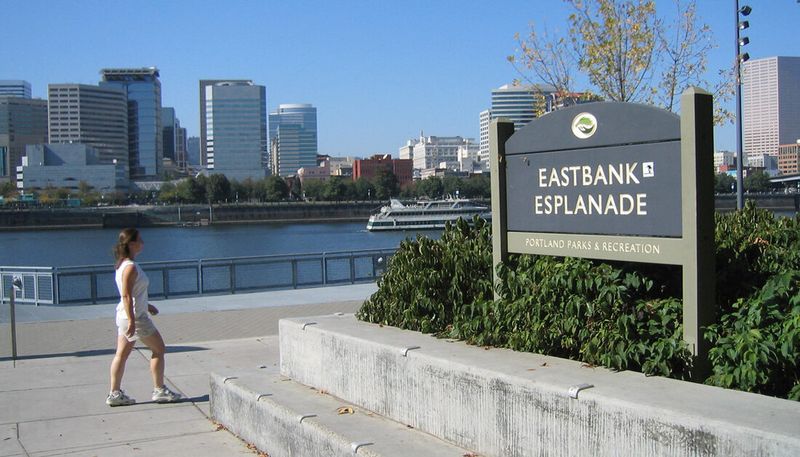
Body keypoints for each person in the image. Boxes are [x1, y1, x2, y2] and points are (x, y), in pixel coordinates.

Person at [106, 228, 182, 406]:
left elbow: (133, 294)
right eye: (140, 240)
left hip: (128, 315)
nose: (143, 243)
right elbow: (126, 295)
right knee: (159, 349)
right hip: (135, 317)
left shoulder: (123, 264)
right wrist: (133, 321)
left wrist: (148, 305)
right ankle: (159, 389)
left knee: (121, 355)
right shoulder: (130, 267)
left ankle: (114, 393)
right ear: (132, 244)